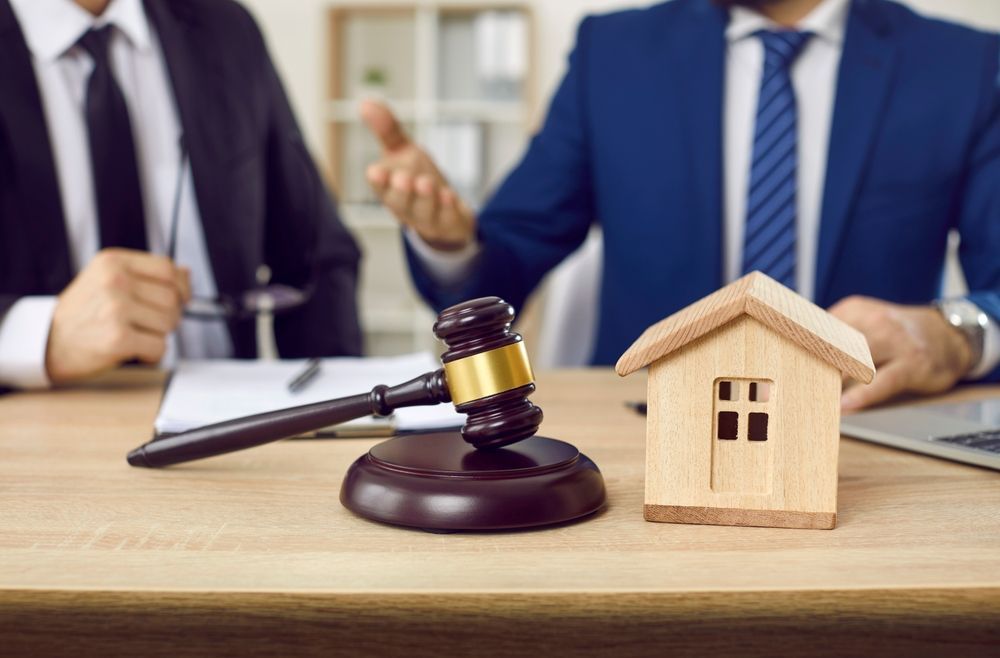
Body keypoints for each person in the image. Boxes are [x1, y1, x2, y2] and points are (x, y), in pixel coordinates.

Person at [361, 0, 1000, 410]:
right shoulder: (611, 53)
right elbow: (503, 267)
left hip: (862, 425)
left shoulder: (961, 65)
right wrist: (447, 242)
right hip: (641, 427)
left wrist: (959, 336)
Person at [0, 0, 361, 390]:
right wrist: (34, 337)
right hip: (33, 434)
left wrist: (337, 408)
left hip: (223, 423)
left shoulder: (226, 29)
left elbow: (315, 252)